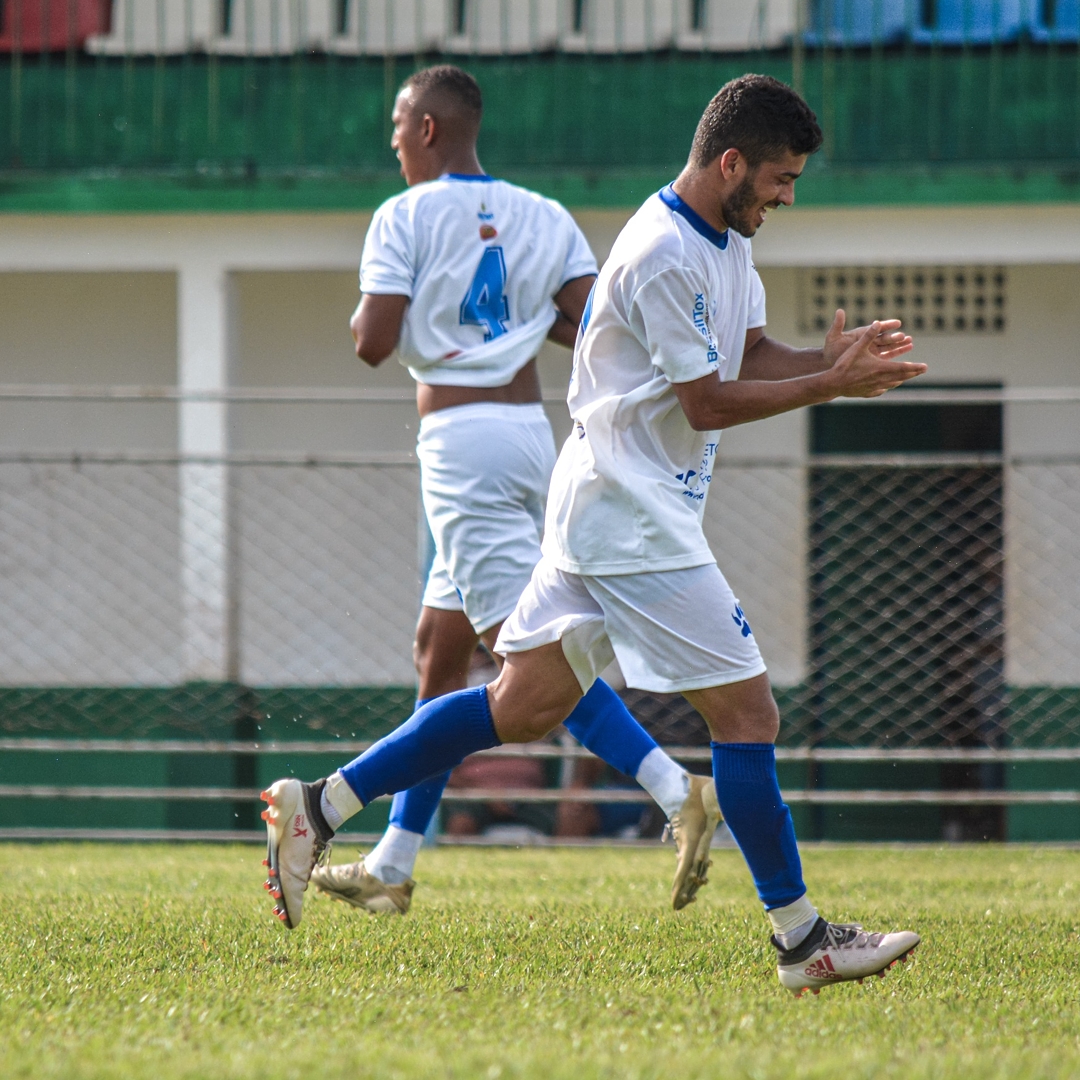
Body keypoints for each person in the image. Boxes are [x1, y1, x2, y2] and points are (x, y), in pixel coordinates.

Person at [260, 73, 927, 996]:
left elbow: (745, 356)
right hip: (633, 521)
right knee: (748, 716)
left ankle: (318, 808)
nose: (787, 197)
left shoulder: (727, 244)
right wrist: (826, 390)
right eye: (779, 178)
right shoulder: (659, 251)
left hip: (606, 505)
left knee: (519, 705)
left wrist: (826, 361)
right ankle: (802, 941)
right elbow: (707, 398)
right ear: (730, 162)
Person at [302, 65, 721, 918]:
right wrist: (522, 316)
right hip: (537, 436)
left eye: (396, 129)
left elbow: (373, 343)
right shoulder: (544, 214)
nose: (393, 145)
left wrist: (376, 315)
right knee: (439, 648)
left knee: (522, 657)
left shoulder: (402, 215)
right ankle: (394, 859)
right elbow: (592, 322)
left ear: (425, 129)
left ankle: (674, 787)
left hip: (460, 442)